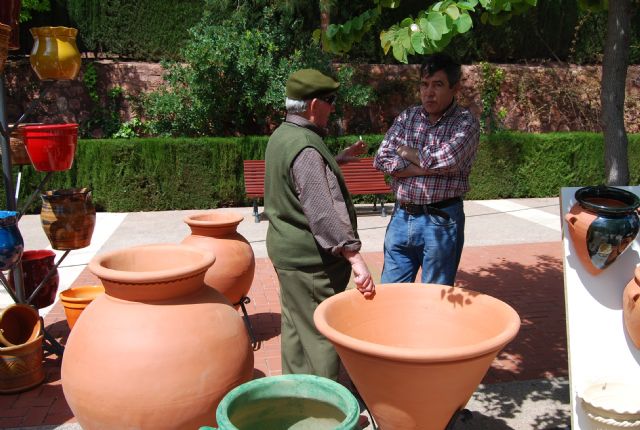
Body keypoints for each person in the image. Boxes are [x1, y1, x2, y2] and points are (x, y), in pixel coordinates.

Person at [264, 68, 376, 381]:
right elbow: (322, 212)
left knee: (296, 330)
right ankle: (326, 411)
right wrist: (355, 259)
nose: (333, 107)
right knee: (319, 337)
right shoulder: (306, 146)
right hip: (311, 263)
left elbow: (298, 178)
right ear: (314, 105)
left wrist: (336, 159)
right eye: (330, 101)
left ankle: (296, 398)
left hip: (288, 255)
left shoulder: (283, 135)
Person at [373, 53, 480, 286]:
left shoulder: (464, 123)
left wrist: (404, 151)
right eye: (424, 84)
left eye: (438, 85)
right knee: (391, 296)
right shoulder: (407, 117)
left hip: (440, 220)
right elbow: (381, 158)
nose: (428, 92)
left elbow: (448, 159)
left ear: (455, 88)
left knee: (434, 299)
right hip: (401, 216)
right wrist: (429, 167)